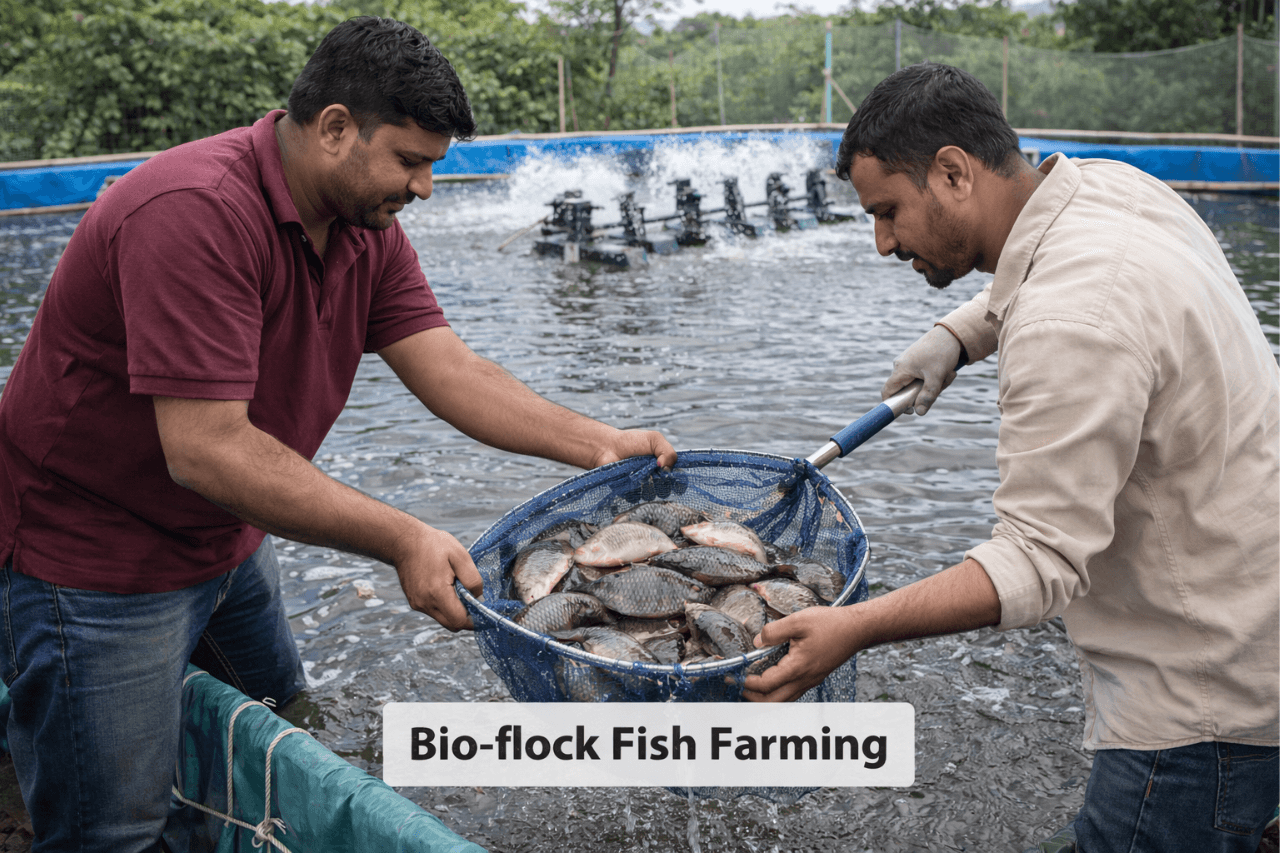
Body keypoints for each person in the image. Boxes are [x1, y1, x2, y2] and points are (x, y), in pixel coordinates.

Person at [0, 16, 675, 851]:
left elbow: (450, 368)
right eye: (411, 160)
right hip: (98, 563)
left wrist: (600, 442)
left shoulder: (365, 227)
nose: (425, 187)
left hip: (229, 538)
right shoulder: (194, 212)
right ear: (334, 128)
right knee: (113, 827)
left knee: (285, 736)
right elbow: (206, 447)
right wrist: (401, 537)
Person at [743, 62, 1278, 852]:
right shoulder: (1111, 189)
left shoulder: (1071, 323)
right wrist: (960, 335)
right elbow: (1053, 262)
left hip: (1201, 702)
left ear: (953, 172)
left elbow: (1036, 561)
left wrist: (852, 625)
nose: (883, 242)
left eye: (888, 211)